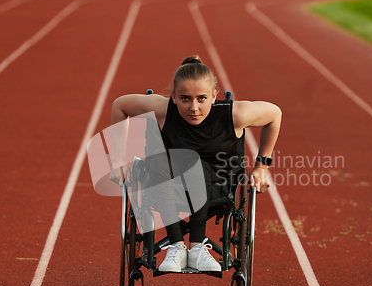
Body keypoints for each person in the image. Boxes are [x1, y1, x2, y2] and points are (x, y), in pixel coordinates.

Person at [110, 56, 281, 273]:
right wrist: (117, 161)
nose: (194, 108)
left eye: (201, 98)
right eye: (184, 98)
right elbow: (120, 106)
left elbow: (274, 114)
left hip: (218, 186)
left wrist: (262, 167)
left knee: (194, 163)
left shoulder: (233, 114)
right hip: (169, 184)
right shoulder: (164, 109)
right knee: (160, 160)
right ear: (173, 97)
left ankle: (197, 246)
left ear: (214, 97)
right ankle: (177, 247)